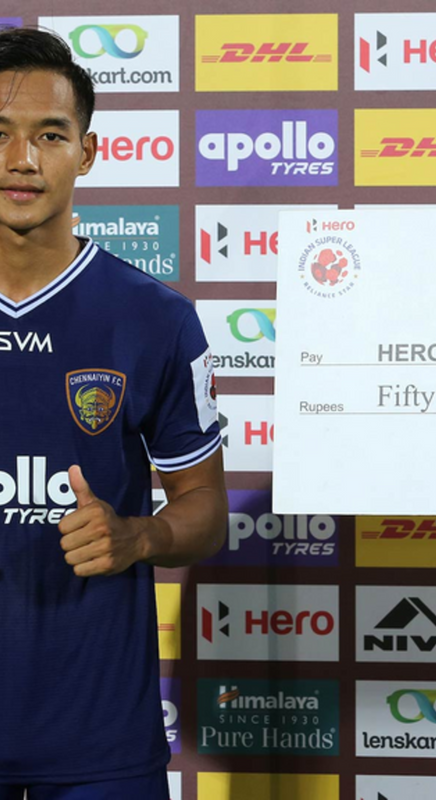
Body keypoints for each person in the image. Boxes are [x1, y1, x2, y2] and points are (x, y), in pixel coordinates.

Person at [0, 28, 227, 800]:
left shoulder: (154, 317)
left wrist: (139, 536)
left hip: (100, 743)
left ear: (87, 153)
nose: (21, 159)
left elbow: (205, 510)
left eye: (49, 135)